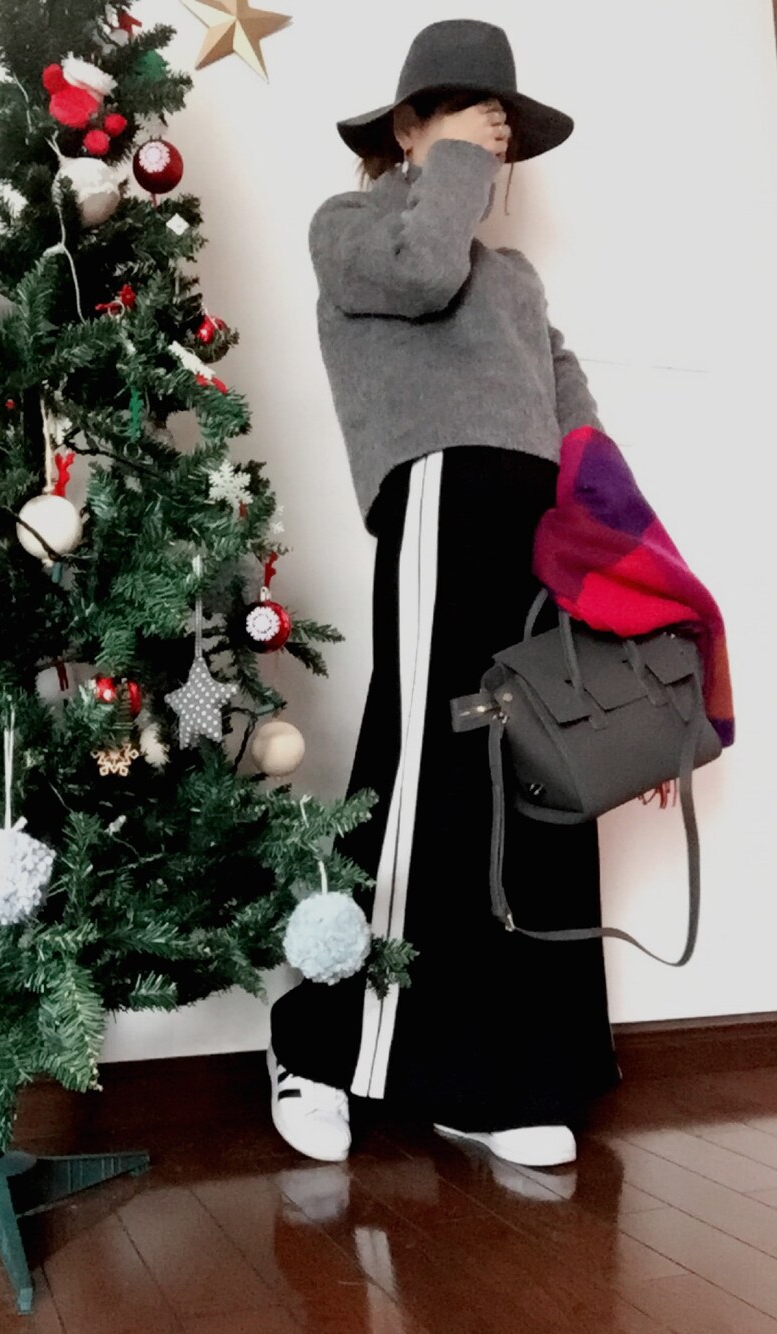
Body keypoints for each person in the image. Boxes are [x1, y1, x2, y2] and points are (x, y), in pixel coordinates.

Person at [267, 19, 621, 1170]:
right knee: (424, 774)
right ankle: (319, 1046)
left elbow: (577, 423)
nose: (490, 135)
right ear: (409, 125)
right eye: (466, 113)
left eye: (498, 125)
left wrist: (622, 560)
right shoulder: (350, 227)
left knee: (533, 790)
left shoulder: (515, 279)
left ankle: (494, 1072)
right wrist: (454, 160)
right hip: (440, 500)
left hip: (539, 527)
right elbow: (424, 272)